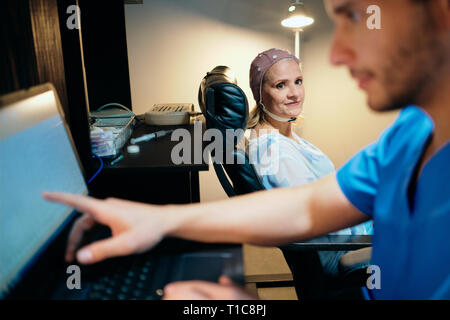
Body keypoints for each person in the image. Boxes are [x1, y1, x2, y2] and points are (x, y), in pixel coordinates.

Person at [43, 0, 450, 300]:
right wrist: (159, 219)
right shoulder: (410, 134)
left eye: (355, 16)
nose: (336, 52)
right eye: (281, 84)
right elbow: (308, 206)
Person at [245, 48, 372, 285]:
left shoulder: (284, 135)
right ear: (260, 94)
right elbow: (315, 214)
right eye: (280, 85)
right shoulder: (274, 150)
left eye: (298, 81)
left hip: (352, 233)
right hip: (348, 249)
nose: (294, 93)